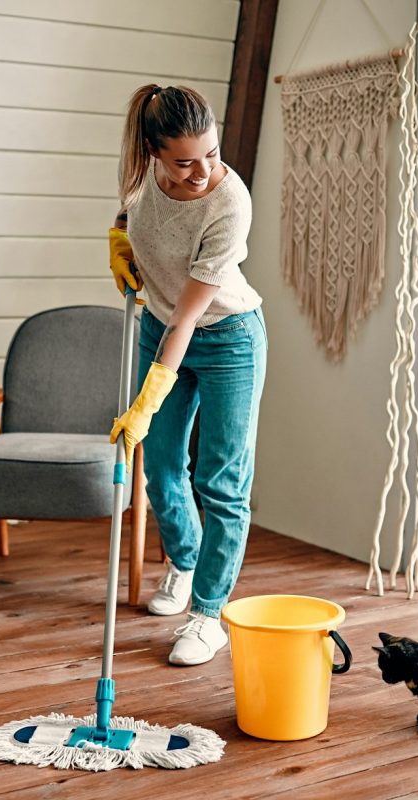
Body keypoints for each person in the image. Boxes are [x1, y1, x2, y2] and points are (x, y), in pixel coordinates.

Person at [108, 84, 266, 666]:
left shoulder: (230, 204)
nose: (202, 171)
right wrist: (118, 241)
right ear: (154, 153)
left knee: (221, 482)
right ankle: (185, 560)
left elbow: (188, 318)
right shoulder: (139, 174)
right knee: (163, 468)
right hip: (158, 325)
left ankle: (208, 614)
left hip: (226, 338)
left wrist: (146, 399)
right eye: (184, 161)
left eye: (213, 154)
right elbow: (130, 215)